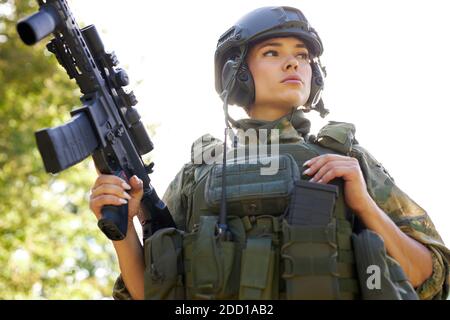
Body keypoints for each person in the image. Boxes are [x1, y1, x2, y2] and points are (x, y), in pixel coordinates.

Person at [89, 6, 449, 300]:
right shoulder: (197, 174)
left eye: (303, 55)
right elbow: (148, 295)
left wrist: (363, 204)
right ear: (237, 74)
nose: (293, 64)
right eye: (272, 52)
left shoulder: (347, 160)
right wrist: (123, 232)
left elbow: (430, 278)